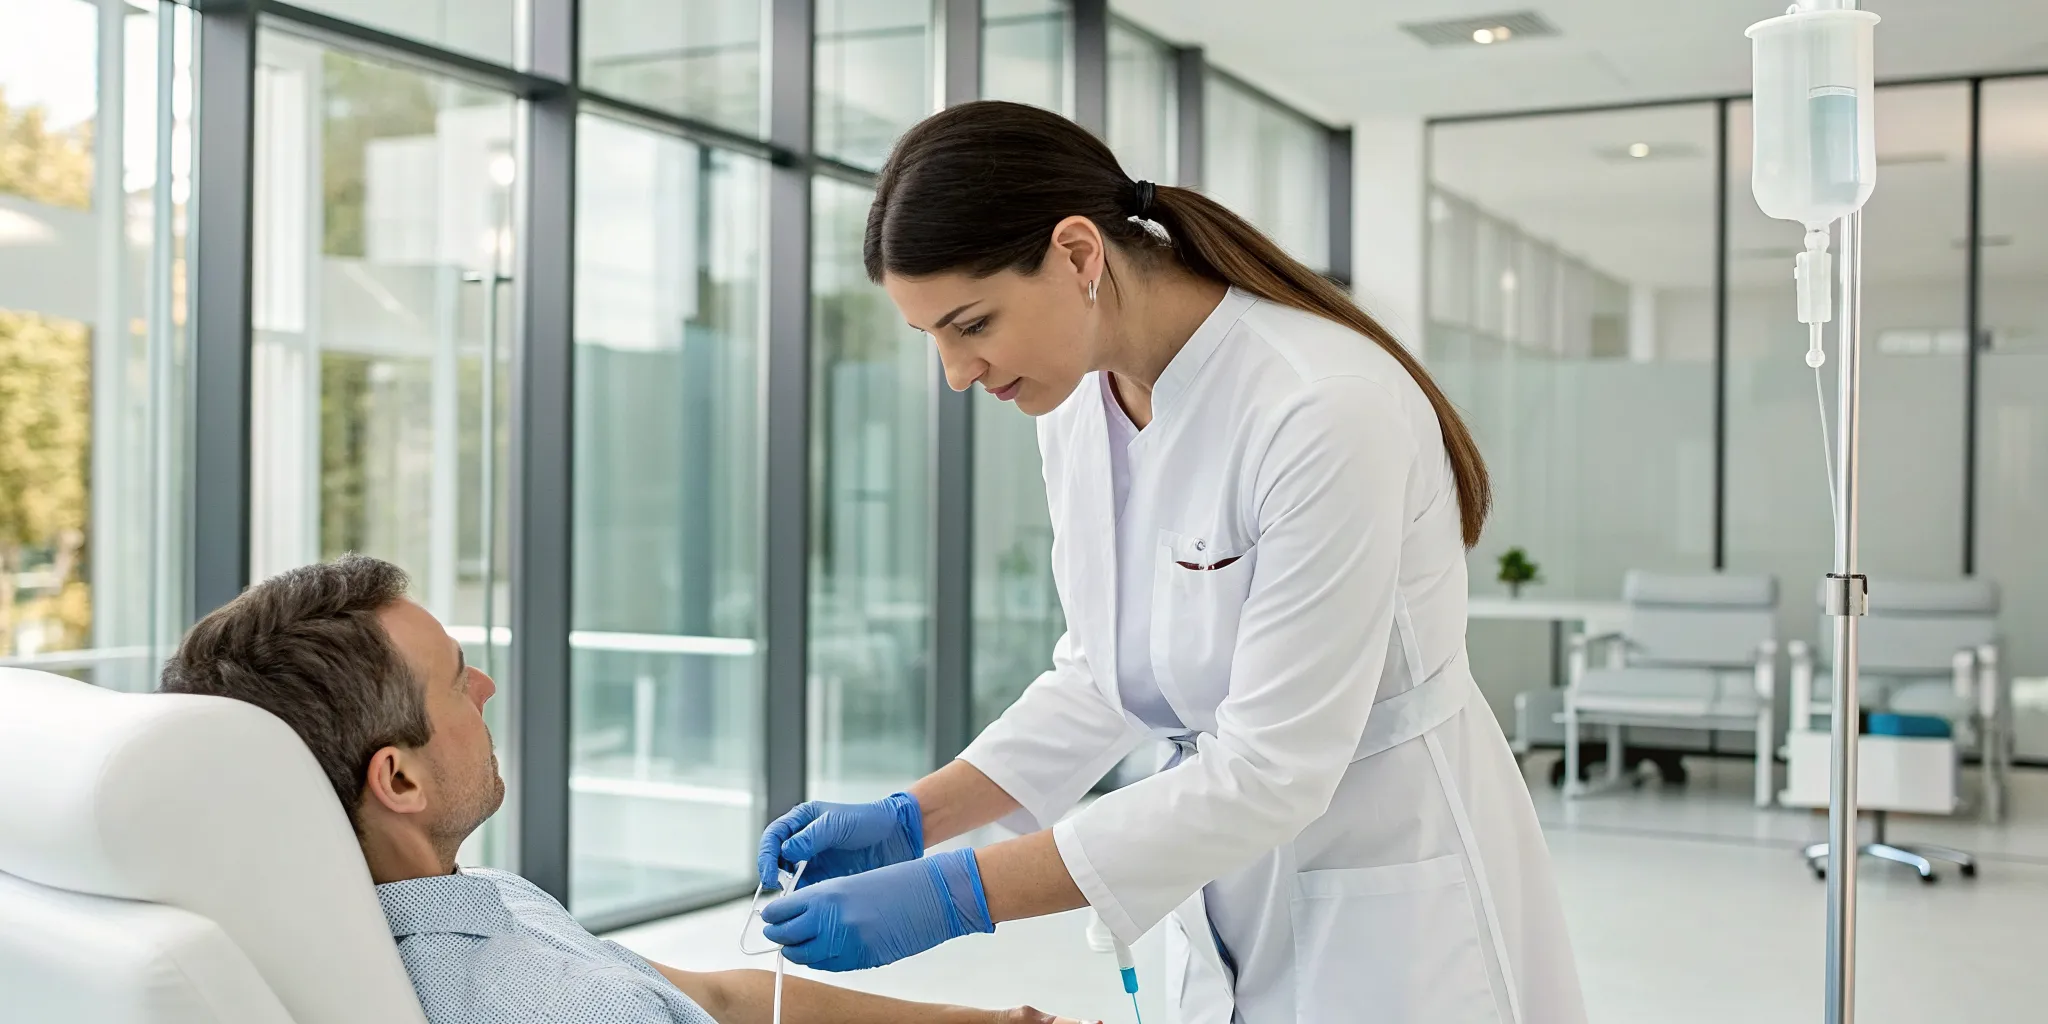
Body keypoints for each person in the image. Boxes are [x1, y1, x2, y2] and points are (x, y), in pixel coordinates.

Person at [754, 101, 1587, 1023]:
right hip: (1223, 893)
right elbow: (1108, 678)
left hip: (1391, 902)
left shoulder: (1319, 408)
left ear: (1078, 256)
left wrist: (957, 895)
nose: (956, 371)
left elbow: (1273, 770)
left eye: (971, 324)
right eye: (934, 339)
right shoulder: (1078, 400)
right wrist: (917, 818)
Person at [159, 555, 1093, 1024]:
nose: (485, 688)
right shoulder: (544, 1000)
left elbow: (724, 999)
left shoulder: (453, 912)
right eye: (456, 681)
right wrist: (963, 892)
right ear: (395, 777)